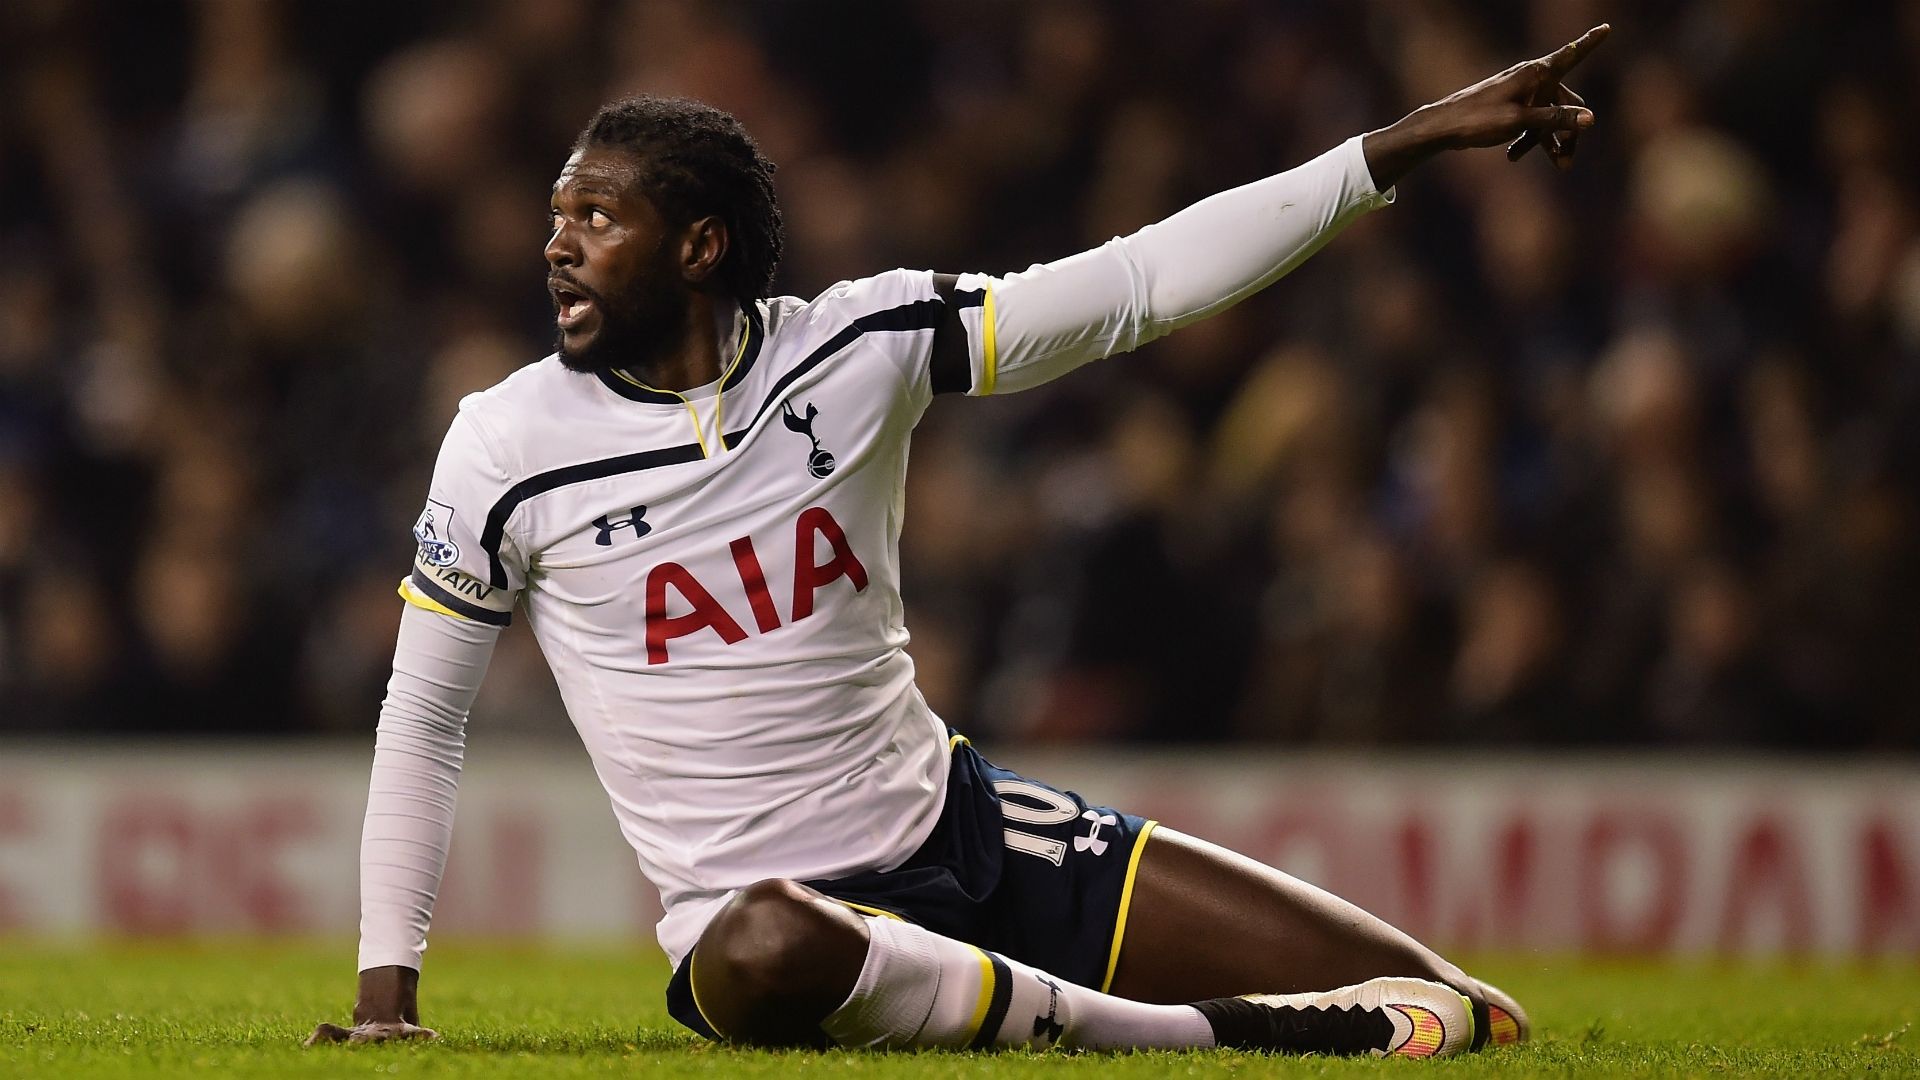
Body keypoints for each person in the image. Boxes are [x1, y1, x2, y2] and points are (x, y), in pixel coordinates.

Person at [308, 24, 1608, 1058]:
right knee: (765, 951)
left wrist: (1405, 144)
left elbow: (1142, 283)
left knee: (1460, 1006)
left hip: (967, 835)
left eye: (596, 219)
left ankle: (1108, 1000)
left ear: (698, 246)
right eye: (557, 217)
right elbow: (424, 716)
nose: (557, 247)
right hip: (773, 923)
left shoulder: (866, 345)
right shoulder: (501, 442)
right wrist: (386, 989)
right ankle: (1192, 1043)